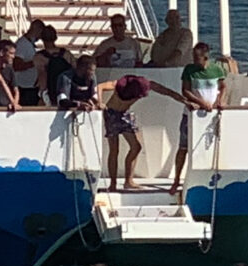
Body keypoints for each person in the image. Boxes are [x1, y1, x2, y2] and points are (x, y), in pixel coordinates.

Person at [98, 69, 176, 192]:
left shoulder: (147, 84)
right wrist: (99, 102)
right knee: (114, 150)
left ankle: (128, 181)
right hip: (111, 114)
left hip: (125, 114)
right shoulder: (119, 84)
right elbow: (100, 86)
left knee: (136, 146)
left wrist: (184, 100)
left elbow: (166, 91)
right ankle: (112, 183)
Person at [171, 42, 229, 198]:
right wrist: (201, 103)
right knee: (183, 147)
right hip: (191, 114)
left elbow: (222, 86)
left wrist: (219, 101)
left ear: (206, 57)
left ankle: (201, 180)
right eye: (194, 57)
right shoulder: (189, 70)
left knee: (205, 147)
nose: (195, 61)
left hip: (209, 115)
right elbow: (185, 90)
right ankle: (176, 180)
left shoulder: (217, 70)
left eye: (198, 58)